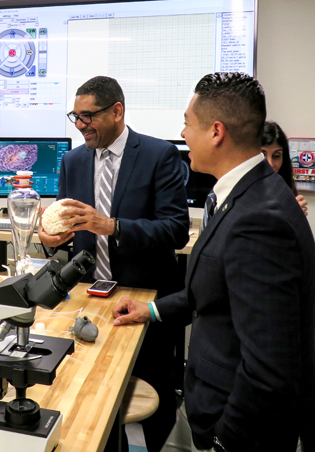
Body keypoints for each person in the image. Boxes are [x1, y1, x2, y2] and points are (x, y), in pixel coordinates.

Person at [112, 72, 315, 452]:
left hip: (232, 424)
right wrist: (150, 310)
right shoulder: (243, 196)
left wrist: (223, 440)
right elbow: (216, 291)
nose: (182, 134)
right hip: (206, 404)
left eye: (187, 123)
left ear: (216, 132)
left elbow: (268, 367)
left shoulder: (259, 218)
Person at [37, 75, 191, 452]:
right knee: (92, 395)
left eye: (88, 116)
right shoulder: (72, 161)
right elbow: (65, 224)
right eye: (75, 116)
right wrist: (51, 239)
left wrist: (114, 226)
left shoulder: (159, 155)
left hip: (145, 299)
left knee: (152, 396)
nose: (80, 125)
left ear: (117, 111)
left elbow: (176, 230)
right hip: (89, 300)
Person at [262, 120, 308, 215]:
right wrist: (285, 216)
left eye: (276, 156)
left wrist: (296, 219)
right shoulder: (240, 191)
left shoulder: (283, 190)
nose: (270, 163)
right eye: (262, 155)